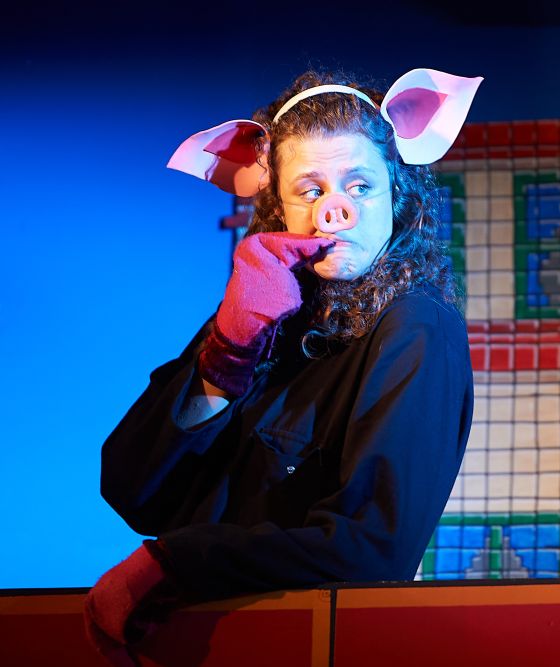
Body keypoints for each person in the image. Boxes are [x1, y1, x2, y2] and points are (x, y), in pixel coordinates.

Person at [84, 67, 482, 664]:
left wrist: (176, 562)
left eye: (361, 186)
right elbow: (132, 489)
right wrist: (226, 358)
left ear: (396, 195)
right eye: (310, 191)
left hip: (314, 646)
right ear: (277, 204)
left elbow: (374, 548)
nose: (336, 211)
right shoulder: (263, 306)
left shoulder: (416, 326)